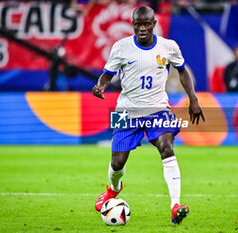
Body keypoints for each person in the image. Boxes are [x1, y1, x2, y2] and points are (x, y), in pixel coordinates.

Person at [92, 5, 204, 225]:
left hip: (158, 108)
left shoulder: (169, 46)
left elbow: (182, 70)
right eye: (138, 24)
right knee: (117, 162)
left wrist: (194, 99)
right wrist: (100, 86)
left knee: (166, 146)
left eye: (146, 24)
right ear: (133, 24)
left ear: (153, 24)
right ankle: (113, 189)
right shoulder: (121, 47)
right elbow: (107, 74)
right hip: (127, 110)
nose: (142, 28)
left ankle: (175, 206)